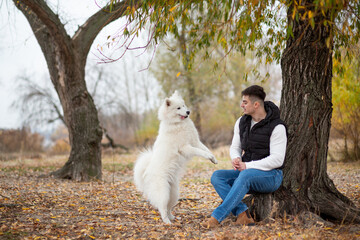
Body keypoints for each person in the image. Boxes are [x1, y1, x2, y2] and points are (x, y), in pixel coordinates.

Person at [201, 85, 287, 228]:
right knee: (218, 176)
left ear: (256, 104)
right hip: (245, 174)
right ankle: (242, 215)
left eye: (245, 102)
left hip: (271, 176)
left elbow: (277, 160)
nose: (242, 105)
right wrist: (236, 158)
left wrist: (247, 166)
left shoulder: (277, 127)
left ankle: (216, 218)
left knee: (245, 175)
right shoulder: (242, 122)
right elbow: (235, 147)